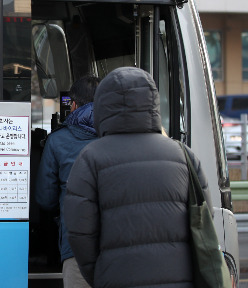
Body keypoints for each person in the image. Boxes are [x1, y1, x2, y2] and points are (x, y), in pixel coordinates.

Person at [64, 67, 213, 287]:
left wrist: (100, 275)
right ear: (152, 103)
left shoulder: (90, 158)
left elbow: (79, 232)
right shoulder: (184, 155)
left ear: (102, 107)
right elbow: (203, 222)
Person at [35, 75, 100, 288]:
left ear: (73, 105)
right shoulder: (118, 137)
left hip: (75, 245)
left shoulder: (57, 140)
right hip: (118, 248)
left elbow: (45, 198)